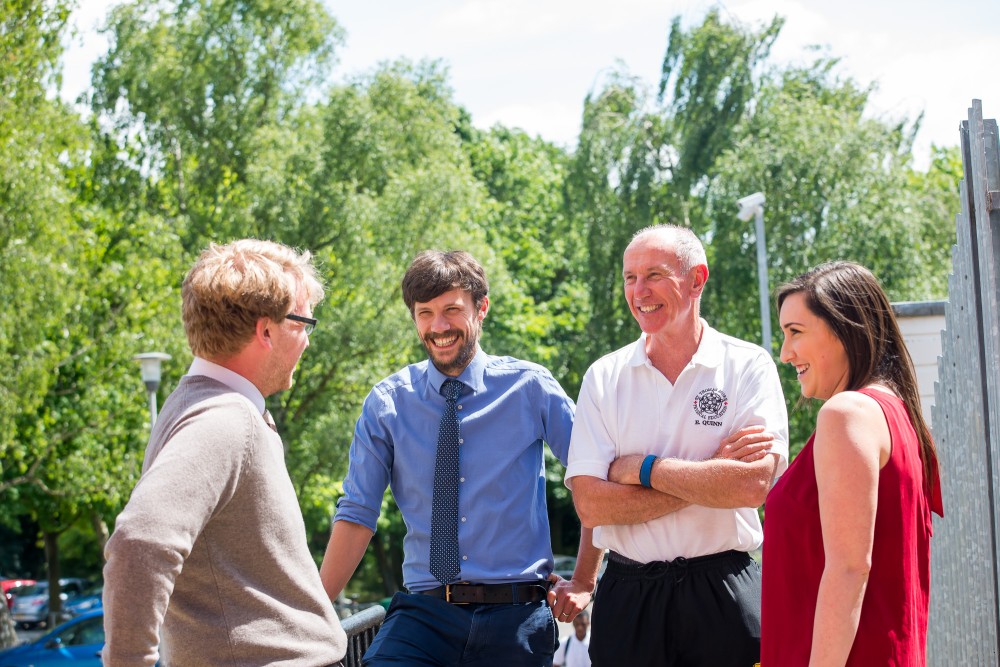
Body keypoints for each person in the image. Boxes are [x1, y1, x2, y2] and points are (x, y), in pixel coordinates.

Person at [320, 249, 602, 666]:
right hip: (424, 615)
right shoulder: (387, 404)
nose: (438, 326)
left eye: (451, 309)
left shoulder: (530, 388)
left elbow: (594, 482)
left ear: (481, 308)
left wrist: (583, 579)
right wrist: (313, 612)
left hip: (518, 614)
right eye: (424, 313)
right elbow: (358, 513)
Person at [102, 240, 347, 666]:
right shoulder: (224, 419)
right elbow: (139, 542)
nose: (307, 340)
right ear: (265, 331)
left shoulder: (194, 404)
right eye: (303, 323)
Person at [566, 224, 789, 667]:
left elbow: (750, 486)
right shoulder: (604, 377)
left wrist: (641, 470)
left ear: (697, 279)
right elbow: (591, 506)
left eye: (654, 274)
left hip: (724, 588)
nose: (639, 291)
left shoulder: (747, 366)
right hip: (629, 596)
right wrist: (710, 474)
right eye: (630, 278)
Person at [761, 261, 944, 665]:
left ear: (845, 332)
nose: (785, 353)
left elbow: (849, 570)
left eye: (795, 333)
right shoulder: (898, 414)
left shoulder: (847, 414)